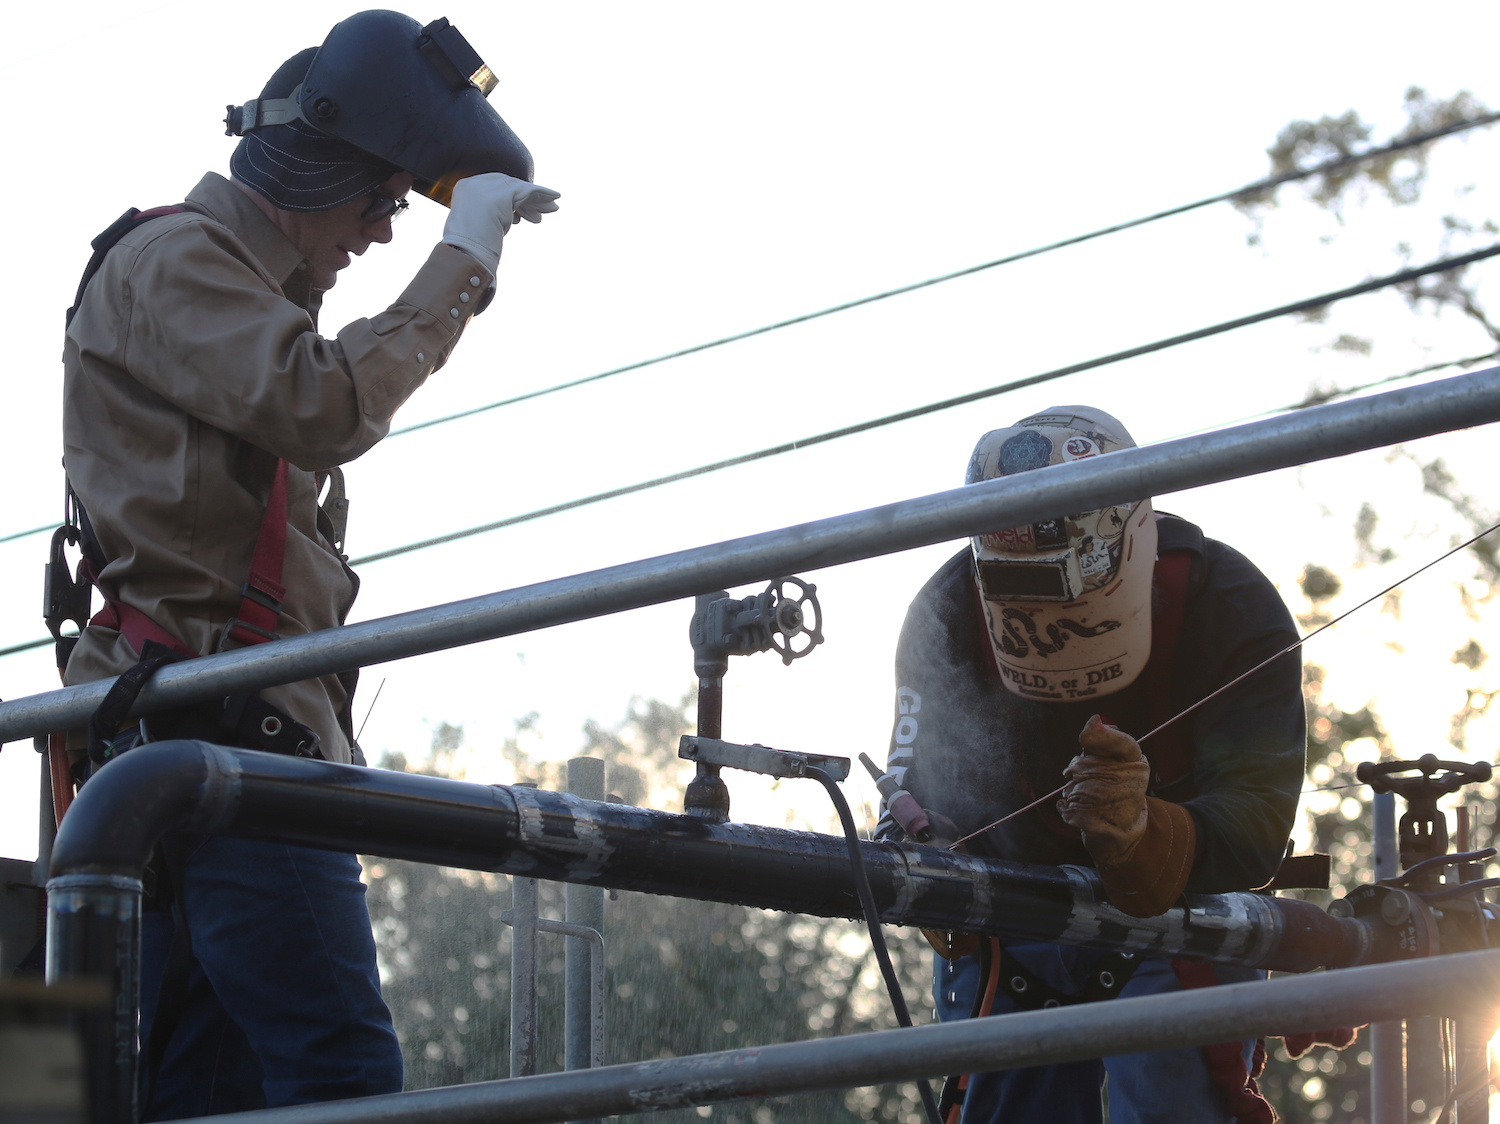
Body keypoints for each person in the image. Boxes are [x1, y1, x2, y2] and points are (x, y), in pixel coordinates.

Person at [59, 11, 558, 1118]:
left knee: (207, 1088)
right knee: (339, 1074)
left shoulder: (242, 293)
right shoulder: (175, 257)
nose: (384, 233)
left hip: (207, 728)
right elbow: (323, 403)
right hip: (222, 730)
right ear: (321, 163)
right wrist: (462, 255)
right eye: (383, 198)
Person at [876, 405, 1306, 1124]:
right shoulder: (949, 611)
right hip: (1009, 919)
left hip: (1181, 919)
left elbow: (1256, 827)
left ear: (1132, 536)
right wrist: (924, 853)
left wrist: (1147, 834)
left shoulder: (1227, 605)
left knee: (1174, 1099)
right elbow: (913, 789)